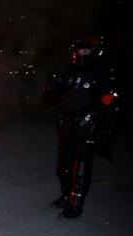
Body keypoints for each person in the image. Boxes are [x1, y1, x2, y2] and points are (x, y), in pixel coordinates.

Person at [46, 37, 118, 219]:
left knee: (81, 166)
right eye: (79, 51)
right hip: (66, 122)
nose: (82, 53)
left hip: (86, 124)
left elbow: (110, 102)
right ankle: (65, 196)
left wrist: (107, 130)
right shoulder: (68, 71)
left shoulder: (100, 74)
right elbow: (53, 94)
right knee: (63, 165)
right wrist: (51, 85)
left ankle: (76, 205)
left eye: (86, 51)